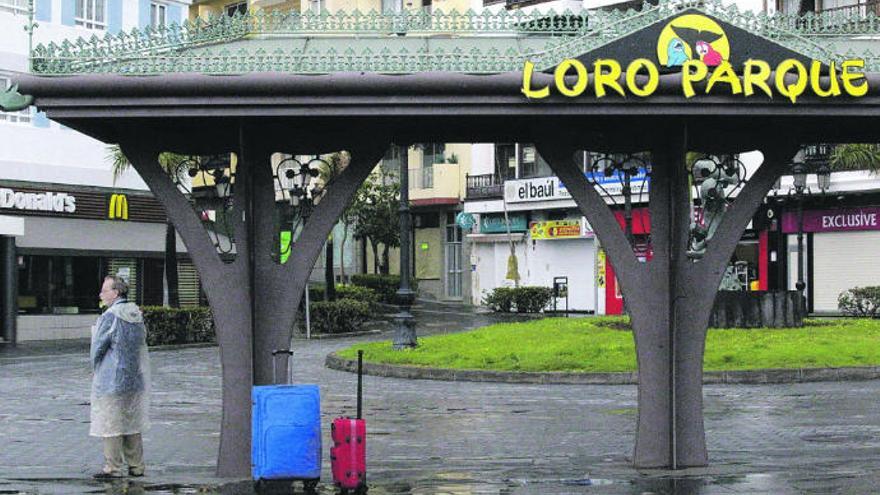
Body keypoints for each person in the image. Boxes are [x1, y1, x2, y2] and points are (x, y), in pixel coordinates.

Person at [90, 275, 151, 479]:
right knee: (132, 422)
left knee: (111, 423)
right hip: (135, 378)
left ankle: (113, 467)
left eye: (104, 290)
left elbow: (98, 347)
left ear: (115, 293)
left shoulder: (110, 316)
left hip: (111, 380)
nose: (101, 294)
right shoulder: (135, 312)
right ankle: (137, 466)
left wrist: (95, 365)